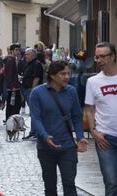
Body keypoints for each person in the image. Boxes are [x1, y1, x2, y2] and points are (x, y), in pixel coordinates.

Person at [30, 61, 88, 196]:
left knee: (69, 184)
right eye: (63, 74)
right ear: (52, 75)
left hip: (68, 147)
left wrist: (80, 137)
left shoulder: (71, 91)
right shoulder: (37, 93)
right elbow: (36, 118)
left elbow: (77, 117)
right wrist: (45, 136)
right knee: (50, 187)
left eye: (68, 73)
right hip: (46, 148)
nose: (67, 77)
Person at [85, 42, 117, 196]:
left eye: (103, 56)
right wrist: (93, 131)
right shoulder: (93, 82)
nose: (99, 60)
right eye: (97, 57)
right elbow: (89, 109)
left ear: (113, 56)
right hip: (106, 139)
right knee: (111, 182)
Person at [21, 48, 44, 140]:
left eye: (27, 54)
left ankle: (35, 132)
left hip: (32, 90)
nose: (25, 56)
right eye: (25, 54)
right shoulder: (29, 64)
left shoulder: (36, 64)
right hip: (27, 89)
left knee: (34, 113)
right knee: (33, 112)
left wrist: (33, 91)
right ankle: (33, 132)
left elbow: (36, 78)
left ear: (33, 55)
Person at [4, 43, 22, 121]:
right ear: (11, 51)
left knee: (13, 105)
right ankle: (11, 121)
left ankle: (11, 120)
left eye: (18, 50)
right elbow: (9, 74)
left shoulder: (12, 59)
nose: (18, 52)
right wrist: (12, 87)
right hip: (13, 88)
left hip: (13, 86)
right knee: (13, 105)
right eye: (16, 50)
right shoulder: (10, 60)